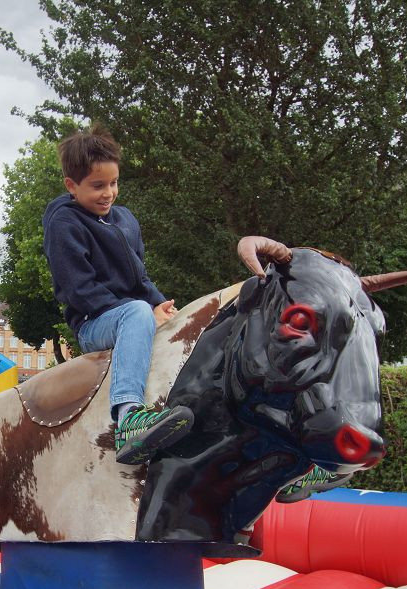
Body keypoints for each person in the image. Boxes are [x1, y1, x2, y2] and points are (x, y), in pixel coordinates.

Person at [42, 125, 291, 465]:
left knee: (198, 321)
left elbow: (138, 275)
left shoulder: (125, 219)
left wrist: (160, 303)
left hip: (133, 313)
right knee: (137, 313)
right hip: (94, 321)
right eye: (97, 186)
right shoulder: (64, 224)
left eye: (114, 183)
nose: (108, 193)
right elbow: (78, 289)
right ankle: (128, 416)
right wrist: (141, 311)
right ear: (71, 186)